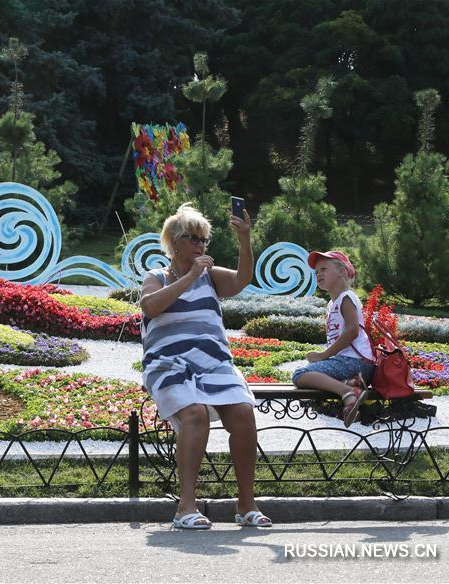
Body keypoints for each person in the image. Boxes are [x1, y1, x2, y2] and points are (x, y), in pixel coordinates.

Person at [140, 202, 271, 530]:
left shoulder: (210, 276)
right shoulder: (156, 277)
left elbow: (242, 279)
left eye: (203, 240)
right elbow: (151, 306)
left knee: (242, 413)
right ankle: (186, 507)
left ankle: (246, 505)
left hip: (214, 364)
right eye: (193, 238)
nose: (199, 245)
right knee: (195, 414)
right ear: (173, 242)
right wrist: (190, 277)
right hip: (170, 365)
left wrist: (245, 238)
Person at [292, 251, 375, 427]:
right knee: (310, 371)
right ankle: (350, 384)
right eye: (316, 272)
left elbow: (352, 331)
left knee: (300, 374)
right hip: (352, 364)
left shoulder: (346, 297)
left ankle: (348, 392)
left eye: (324, 269)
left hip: (356, 361)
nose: (319, 274)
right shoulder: (332, 303)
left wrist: (324, 355)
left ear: (342, 272)